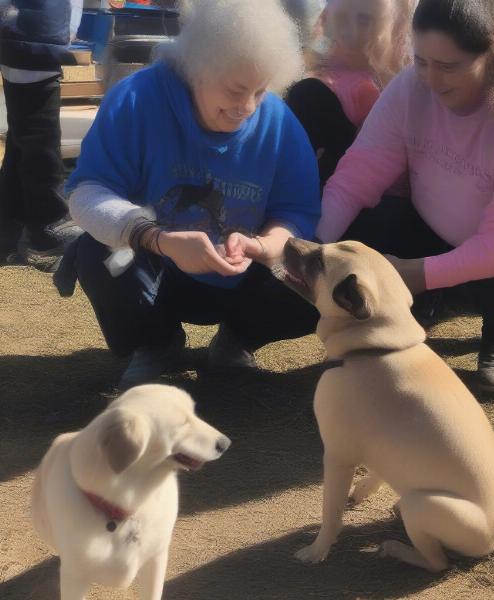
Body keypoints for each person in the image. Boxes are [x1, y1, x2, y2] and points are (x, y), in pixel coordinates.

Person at [316, 0, 494, 400]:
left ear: (490, 53)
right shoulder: (412, 86)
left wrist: (410, 274)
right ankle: (429, 304)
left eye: (449, 66)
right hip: (437, 229)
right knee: (370, 218)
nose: (431, 79)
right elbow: (356, 177)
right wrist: (315, 248)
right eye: (422, 61)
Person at [64, 0, 321, 389]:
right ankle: (156, 343)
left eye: (260, 91)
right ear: (195, 68)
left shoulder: (279, 121)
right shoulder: (137, 99)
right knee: (97, 253)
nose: (247, 108)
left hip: (243, 277)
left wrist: (267, 245)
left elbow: (296, 210)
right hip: (156, 270)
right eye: (236, 91)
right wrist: (158, 239)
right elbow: (86, 193)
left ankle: (239, 339)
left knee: (316, 269)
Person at [286, 0, 415, 186]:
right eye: (341, 18)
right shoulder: (319, 76)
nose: (349, 32)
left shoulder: (402, 85)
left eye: (364, 20)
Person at [0, 0, 83, 266]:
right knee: (37, 131)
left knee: (24, 131)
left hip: (34, 24)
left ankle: (9, 225)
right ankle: (48, 223)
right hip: (29, 24)